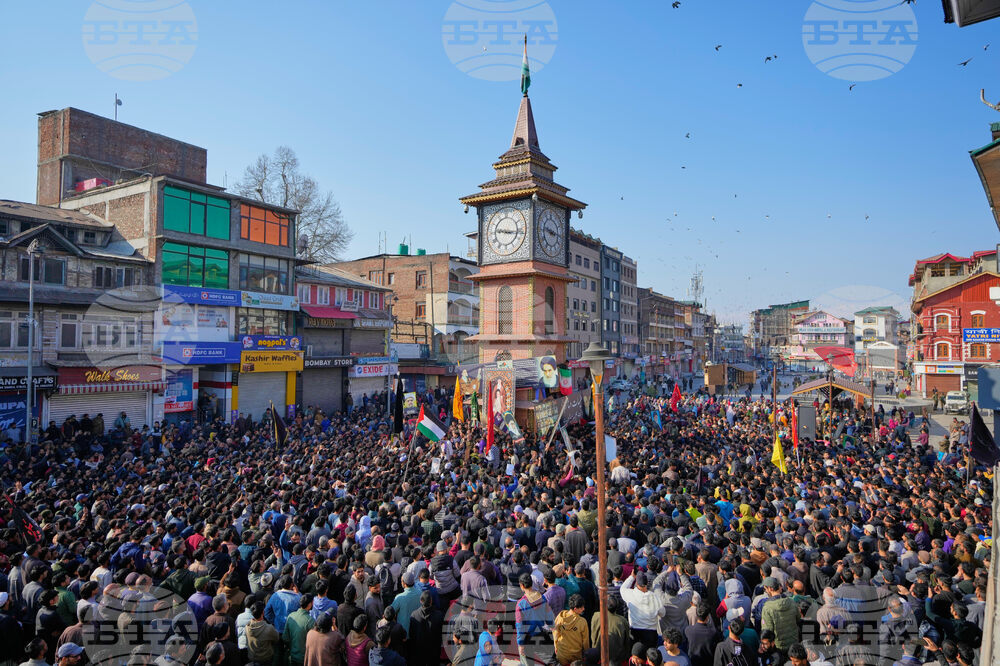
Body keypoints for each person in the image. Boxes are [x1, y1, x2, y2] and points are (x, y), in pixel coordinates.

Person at [553, 593, 589, 665]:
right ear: (575, 609)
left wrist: (556, 647)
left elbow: (555, 634)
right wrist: (586, 653)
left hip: (562, 653)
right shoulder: (582, 622)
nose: (583, 609)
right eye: (581, 608)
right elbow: (585, 641)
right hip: (576, 655)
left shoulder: (560, 617)